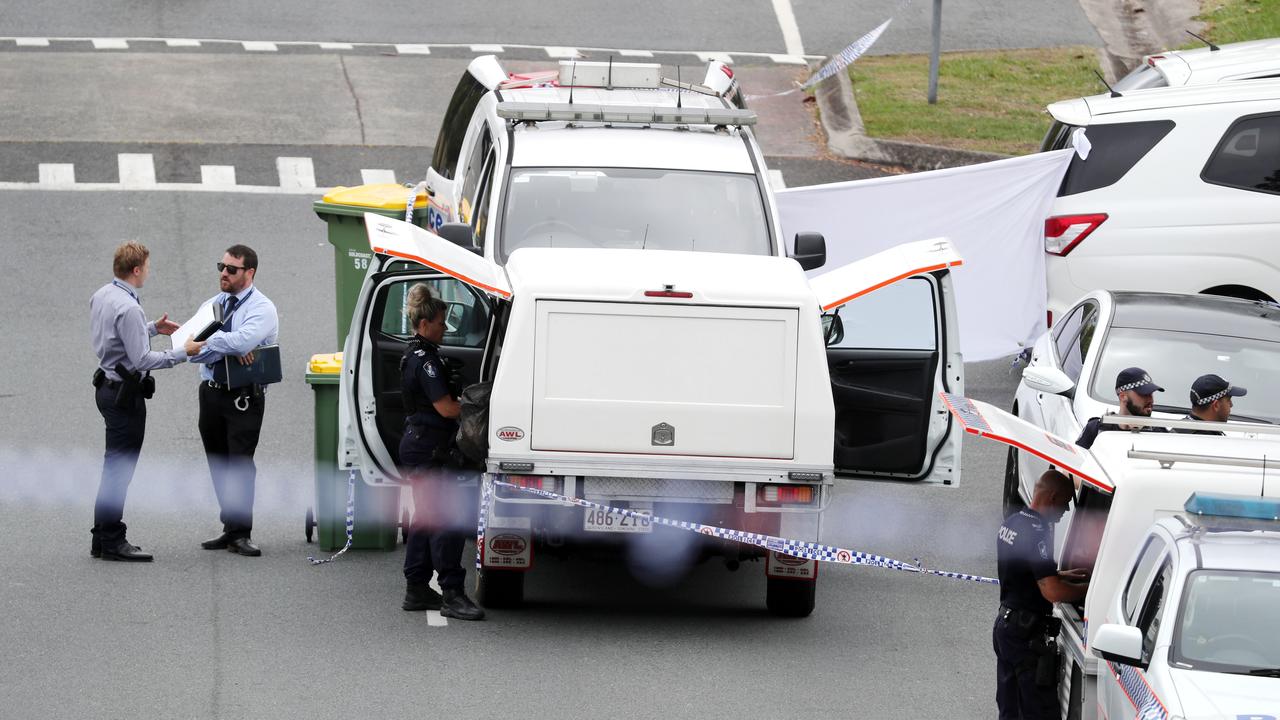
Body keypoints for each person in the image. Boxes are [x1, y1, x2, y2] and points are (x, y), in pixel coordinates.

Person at [89, 241, 197, 561]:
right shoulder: (130, 307)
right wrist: (183, 353)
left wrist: (152, 328)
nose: (149, 271)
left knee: (112, 467)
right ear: (136, 270)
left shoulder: (103, 295)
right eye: (147, 266)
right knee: (119, 470)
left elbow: (115, 336)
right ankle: (112, 540)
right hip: (124, 397)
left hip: (105, 387)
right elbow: (142, 359)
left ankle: (101, 536)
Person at [184, 245, 278, 557]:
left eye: (231, 269)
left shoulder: (262, 309)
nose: (224, 273)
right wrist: (227, 345)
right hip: (211, 391)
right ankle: (229, 526)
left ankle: (241, 532)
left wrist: (214, 342)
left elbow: (241, 340)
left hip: (243, 397)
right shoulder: (214, 304)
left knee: (239, 463)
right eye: (221, 266)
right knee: (218, 461)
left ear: (249, 273)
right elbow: (190, 348)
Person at [398, 284, 485, 621]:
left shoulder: (416, 353)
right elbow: (447, 409)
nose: (444, 328)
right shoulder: (425, 361)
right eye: (439, 322)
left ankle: (417, 588)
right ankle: (451, 593)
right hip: (429, 448)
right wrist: (475, 406)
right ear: (424, 324)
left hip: (421, 445)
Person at [994, 469, 1090, 720]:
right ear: (1053, 497)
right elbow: (1052, 591)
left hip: (1006, 629)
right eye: (1066, 503)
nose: (1067, 511)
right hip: (1026, 636)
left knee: (1010, 708)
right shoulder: (1037, 532)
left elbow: (1026, 573)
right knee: (1039, 710)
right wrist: (1088, 589)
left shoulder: (1013, 523)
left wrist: (1063, 574)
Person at [1075, 366, 1167, 449]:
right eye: (1144, 394)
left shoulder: (1160, 434)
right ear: (1123, 396)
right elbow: (1078, 462)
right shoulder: (1096, 429)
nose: (1151, 399)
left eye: (1151, 393)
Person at [1175, 373, 1247, 435]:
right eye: (1228, 400)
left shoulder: (1178, 429)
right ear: (1216, 405)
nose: (1231, 405)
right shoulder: (1211, 444)